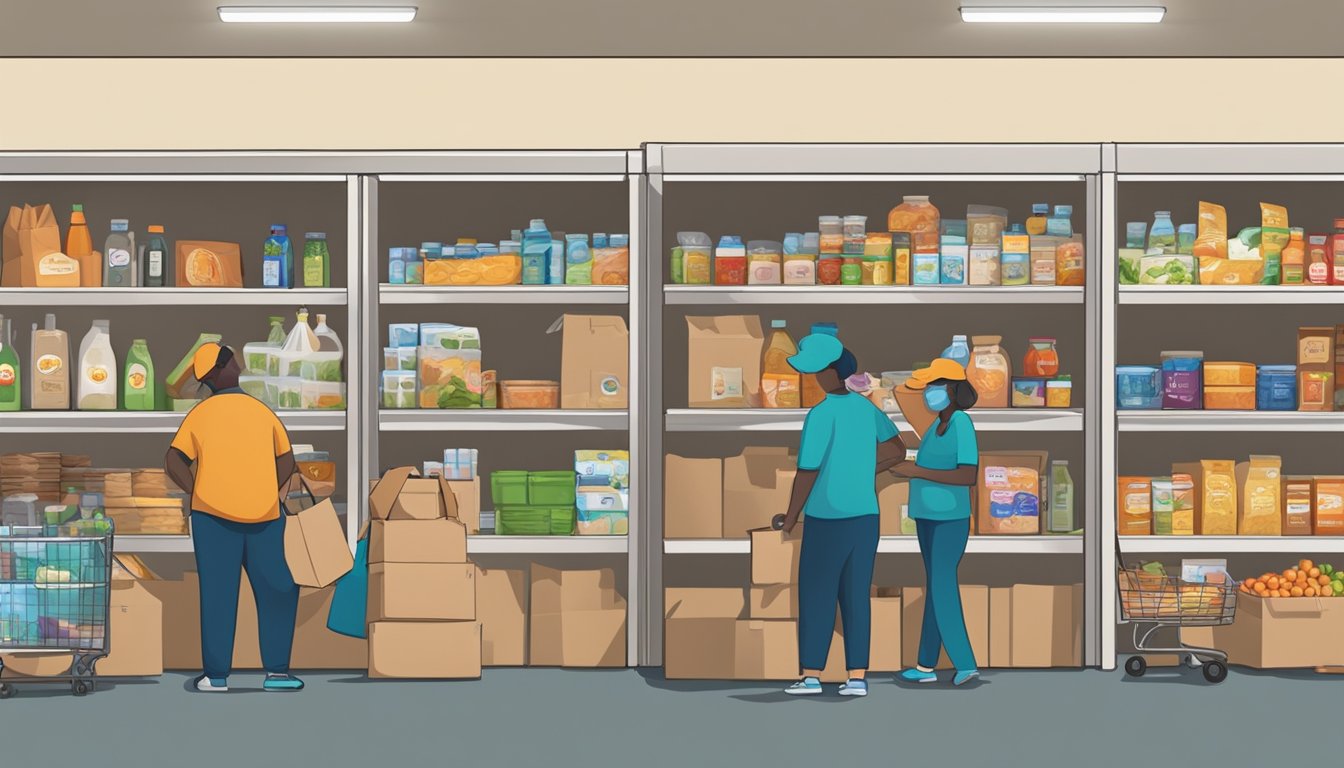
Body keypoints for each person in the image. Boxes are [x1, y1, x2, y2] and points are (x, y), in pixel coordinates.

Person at [164, 342, 304, 693]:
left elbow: (173, 460)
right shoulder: (261, 412)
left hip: (212, 519)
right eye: (229, 358)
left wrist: (197, 491)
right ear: (221, 371)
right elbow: (287, 460)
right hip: (265, 518)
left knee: (218, 595)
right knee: (279, 590)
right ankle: (278, 673)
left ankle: (216, 676)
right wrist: (267, 490)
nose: (236, 362)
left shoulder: (201, 415)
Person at [775, 333, 907, 697]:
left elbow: (807, 472)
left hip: (826, 517)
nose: (814, 378)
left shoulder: (821, 414)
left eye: (817, 371)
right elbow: (898, 450)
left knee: (817, 594)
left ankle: (813, 675)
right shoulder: (867, 409)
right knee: (854, 595)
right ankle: (857, 677)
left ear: (834, 372)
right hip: (865, 517)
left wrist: (789, 517)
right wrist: (864, 471)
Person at [892, 358, 981, 686]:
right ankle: (926, 665)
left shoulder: (961, 424)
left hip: (949, 520)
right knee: (935, 587)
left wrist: (915, 471)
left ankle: (965, 662)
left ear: (954, 390)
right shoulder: (934, 426)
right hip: (926, 516)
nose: (929, 392)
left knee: (943, 586)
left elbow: (967, 474)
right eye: (928, 386)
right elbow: (902, 391)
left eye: (936, 385)